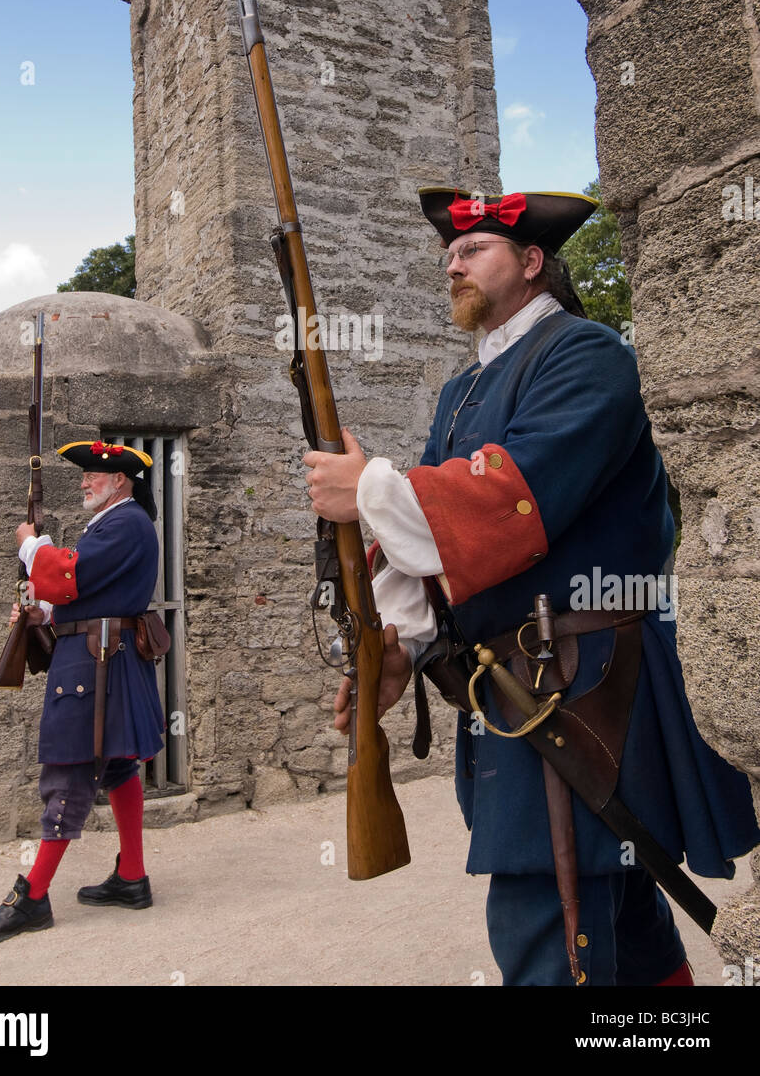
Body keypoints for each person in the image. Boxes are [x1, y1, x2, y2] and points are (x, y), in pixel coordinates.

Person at [304, 187, 760, 987]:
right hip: (514, 686)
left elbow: (514, 502)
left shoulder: (586, 354)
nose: (452, 263)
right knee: (621, 921)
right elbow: (431, 551)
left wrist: (370, 488)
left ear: (531, 262)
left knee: (548, 929)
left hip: (578, 680)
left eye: (472, 248)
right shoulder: (460, 388)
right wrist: (402, 649)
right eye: (449, 252)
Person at [0, 441, 166, 943]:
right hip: (97, 658)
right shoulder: (113, 523)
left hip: (98, 664)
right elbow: (85, 594)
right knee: (118, 765)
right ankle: (132, 878)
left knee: (68, 773)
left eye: (92, 476)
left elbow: (67, 573)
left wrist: (32, 545)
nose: (83, 483)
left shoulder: (126, 523)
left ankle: (32, 896)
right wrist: (45, 614)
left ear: (119, 480)